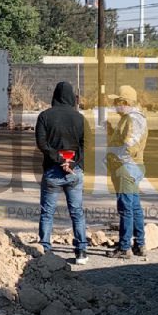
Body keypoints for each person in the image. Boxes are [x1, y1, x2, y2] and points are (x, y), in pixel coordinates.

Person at [35, 81, 89, 265]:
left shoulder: (44, 116)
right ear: (72, 97)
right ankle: (81, 251)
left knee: (47, 212)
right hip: (74, 172)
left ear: (55, 96)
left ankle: (45, 250)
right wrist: (72, 162)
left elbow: (42, 144)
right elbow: (86, 145)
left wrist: (58, 159)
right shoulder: (80, 118)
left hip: (52, 171)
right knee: (77, 212)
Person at [106, 85, 148, 258]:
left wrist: (115, 158)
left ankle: (125, 247)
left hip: (127, 168)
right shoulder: (128, 119)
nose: (115, 104)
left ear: (125, 102)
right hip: (131, 166)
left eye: (117, 101)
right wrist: (110, 131)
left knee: (126, 208)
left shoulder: (133, 119)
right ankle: (140, 244)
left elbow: (129, 145)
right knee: (134, 206)